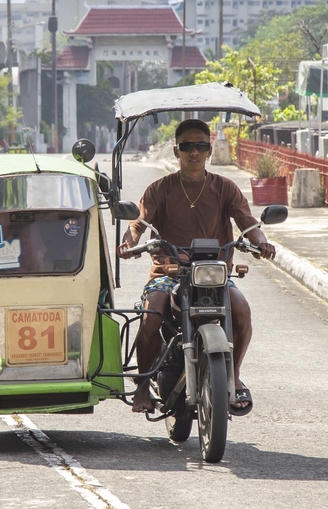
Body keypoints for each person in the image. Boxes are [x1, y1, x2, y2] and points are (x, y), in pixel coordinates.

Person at [118, 119, 276, 415]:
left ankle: (233, 376)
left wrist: (261, 242)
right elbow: (138, 222)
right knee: (152, 314)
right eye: (188, 146)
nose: (194, 152)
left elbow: (248, 223)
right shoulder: (160, 189)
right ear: (176, 150)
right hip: (169, 272)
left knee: (241, 310)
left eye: (201, 146)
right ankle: (143, 384)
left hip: (213, 273)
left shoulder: (225, 188)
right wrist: (130, 241)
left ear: (209, 151)